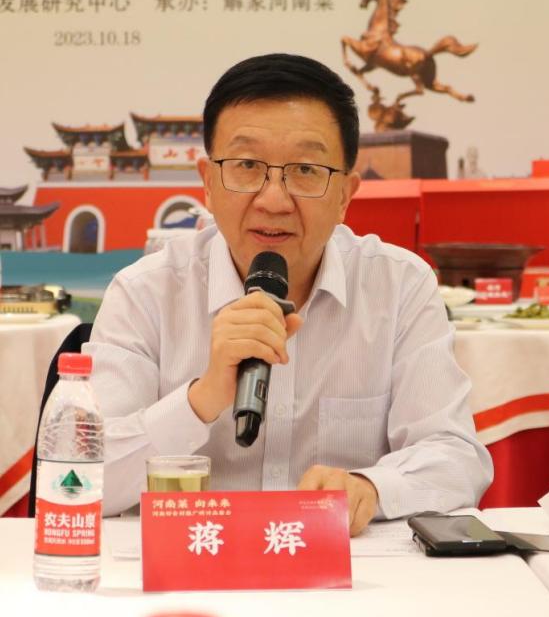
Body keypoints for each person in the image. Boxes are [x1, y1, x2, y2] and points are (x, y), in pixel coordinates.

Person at [85, 53, 493, 533]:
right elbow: (84, 479)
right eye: (246, 165)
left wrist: (370, 487)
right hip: (195, 560)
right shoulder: (145, 293)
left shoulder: (398, 286)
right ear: (208, 183)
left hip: (343, 567)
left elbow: (455, 457)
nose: (274, 200)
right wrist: (202, 398)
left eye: (305, 169)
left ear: (345, 194)